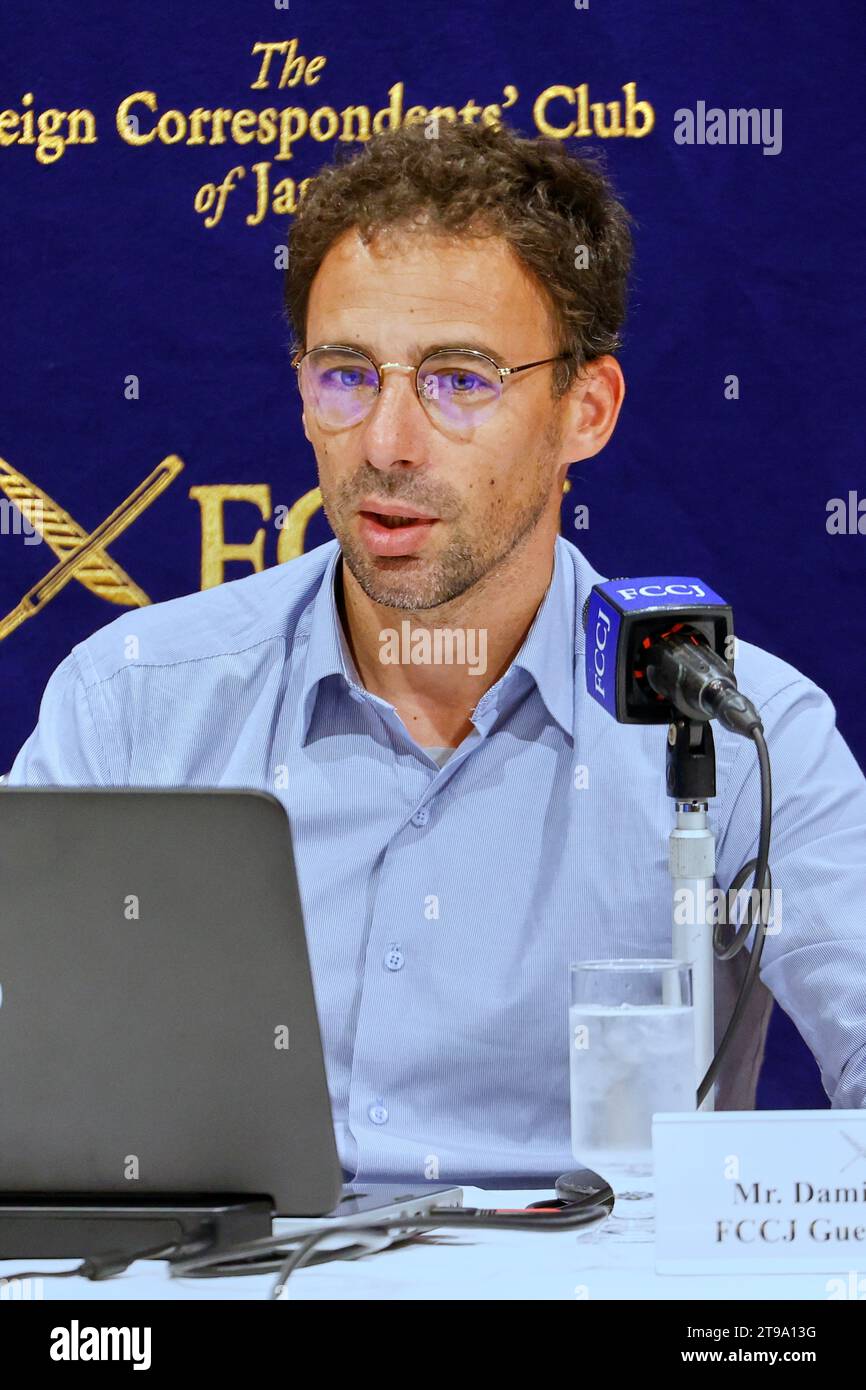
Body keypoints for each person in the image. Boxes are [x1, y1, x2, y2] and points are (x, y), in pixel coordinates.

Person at [8, 122, 866, 1185]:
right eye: (345, 375)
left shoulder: (741, 735)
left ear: (583, 410)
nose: (385, 442)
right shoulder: (134, 703)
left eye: (459, 380)